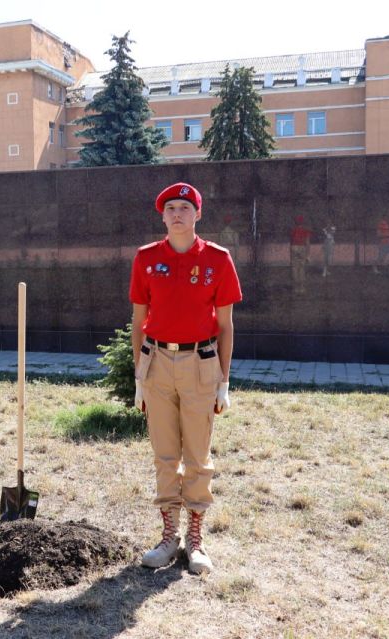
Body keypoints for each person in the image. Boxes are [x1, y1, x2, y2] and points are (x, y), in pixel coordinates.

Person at [130, 182, 242, 575]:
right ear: (162, 216)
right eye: (171, 208)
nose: (177, 214)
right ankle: (168, 537)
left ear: (198, 214)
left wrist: (224, 382)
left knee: (197, 456)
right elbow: (139, 321)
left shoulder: (218, 259)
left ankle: (195, 540)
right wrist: (139, 378)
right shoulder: (146, 258)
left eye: (185, 208)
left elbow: (226, 325)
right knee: (164, 454)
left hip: (200, 363)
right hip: (157, 362)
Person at [289, 215, 312, 294]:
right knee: (302, 268)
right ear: (303, 222)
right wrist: (308, 255)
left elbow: (291, 241)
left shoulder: (293, 230)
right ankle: (302, 288)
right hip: (302, 248)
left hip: (294, 247)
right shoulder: (306, 230)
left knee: (294, 268)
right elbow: (307, 242)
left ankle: (295, 288)